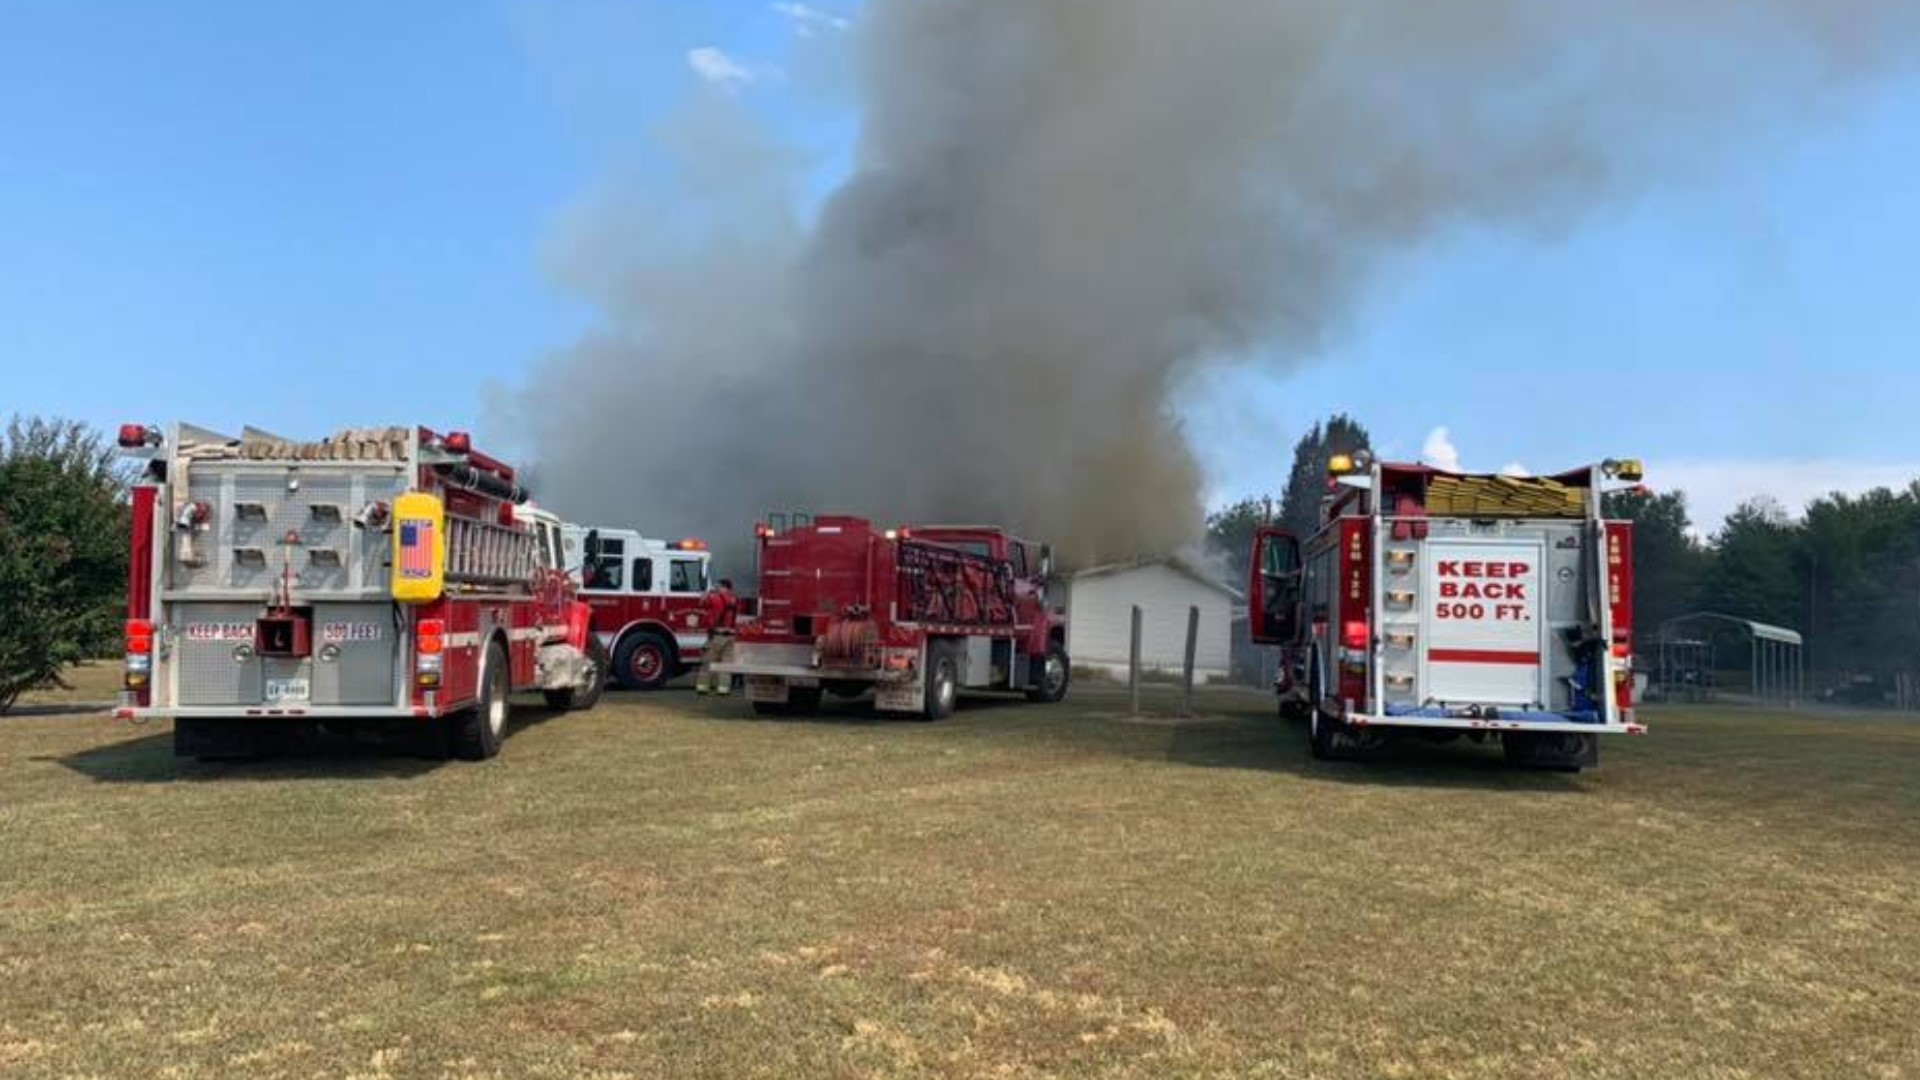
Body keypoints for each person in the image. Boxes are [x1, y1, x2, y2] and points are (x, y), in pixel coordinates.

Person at [695, 577, 739, 695]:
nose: (717, 588)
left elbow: (702, 603)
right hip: (732, 636)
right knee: (726, 665)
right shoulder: (735, 599)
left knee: (708, 662)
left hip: (717, 636)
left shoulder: (715, 598)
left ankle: (702, 687)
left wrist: (707, 592)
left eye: (719, 586)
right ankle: (723, 689)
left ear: (724, 587)